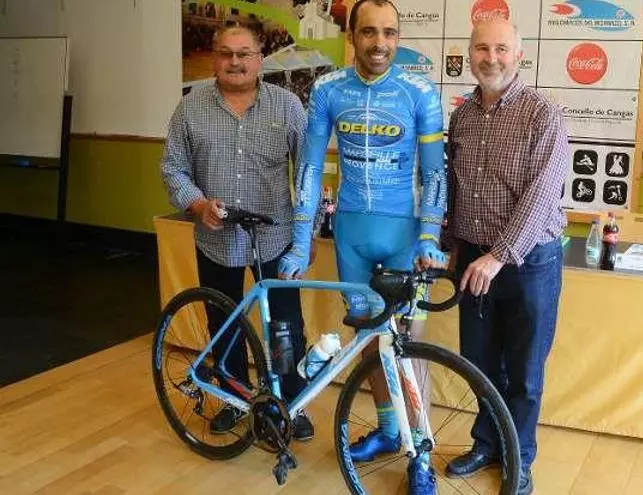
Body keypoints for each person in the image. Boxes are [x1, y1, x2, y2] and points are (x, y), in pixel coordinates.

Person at [278, 0, 447, 492]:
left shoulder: (420, 91)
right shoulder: (328, 89)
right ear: (351, 36)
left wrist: (429, 237)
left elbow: (434, 174)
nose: (380, 43)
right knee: (369, 338)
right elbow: (310, 168)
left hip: (403, 237)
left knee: (408, 344)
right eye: (369, 32)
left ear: (399, 38)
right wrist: (300, 240)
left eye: (389, 33)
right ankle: (390, 430)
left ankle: (421, 452)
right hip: (351, 233)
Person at [160, 24, 313, 440]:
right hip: (217, 240)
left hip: (276, 240)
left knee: (285, 327)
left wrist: (307, 234)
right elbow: (172, 168)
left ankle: (292, 402)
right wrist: (197, 204)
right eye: (226, 53)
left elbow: (307, 173)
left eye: (244, 54)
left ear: (259, 60)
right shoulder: (190, 108)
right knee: (224, 323)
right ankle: (233, 399)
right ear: (214, 59)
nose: (235, 62)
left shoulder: (287, 106)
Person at [444, 19, 569, 495]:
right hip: (473, 258)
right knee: (479, 363)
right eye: (482, 48)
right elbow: (456, 187)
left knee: (524, 372)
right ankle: (487, 443)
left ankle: (520, 459)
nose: (491, 58)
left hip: (528, 263)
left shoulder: (543, 114)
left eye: (501, 48)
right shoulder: (462, 117)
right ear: (469, 55)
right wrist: (451, 245)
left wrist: (498, 255)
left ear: (519, 55)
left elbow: (542, 194)